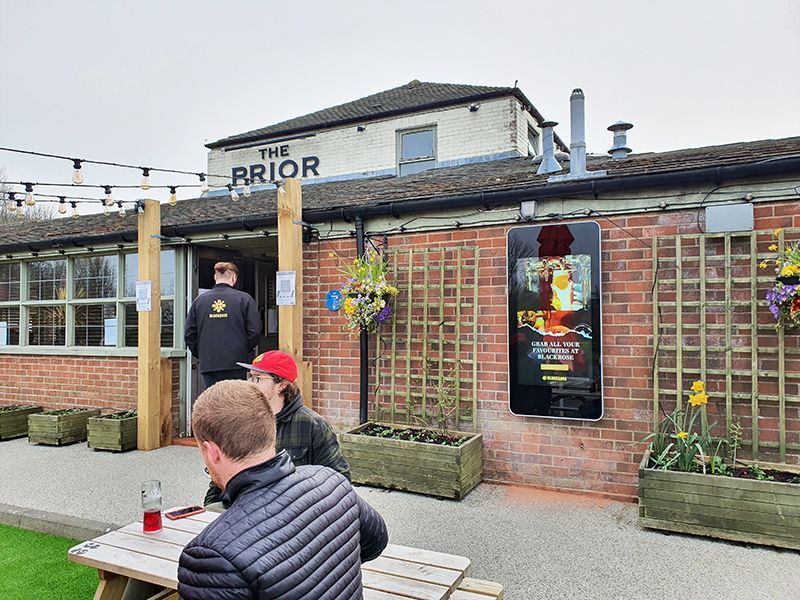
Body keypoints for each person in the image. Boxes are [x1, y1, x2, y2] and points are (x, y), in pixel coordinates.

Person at [178, 380, 388, 600]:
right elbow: (377, 540)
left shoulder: (210, 558)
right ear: (269, 428)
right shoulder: (330, 480)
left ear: (212, 452)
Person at [203, 350, 351, 507]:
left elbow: (340, 480)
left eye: (258, 378)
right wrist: (207, 513)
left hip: (291, 512)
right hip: (241, 508)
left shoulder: (312, 425)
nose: (250, 384)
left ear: (281, 385)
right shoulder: (240, 420)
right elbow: (218, 481)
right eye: (250, 376)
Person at [185, 262, 262, 388]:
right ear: (234, 277)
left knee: (213, 402)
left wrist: (202, 353)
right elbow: (254, 331)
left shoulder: (199, 301)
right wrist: (242, 350)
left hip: (209, 363)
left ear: (215, 277)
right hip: (237, 363)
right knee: (235, 402)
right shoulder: (244, 299)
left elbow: (189, 334)